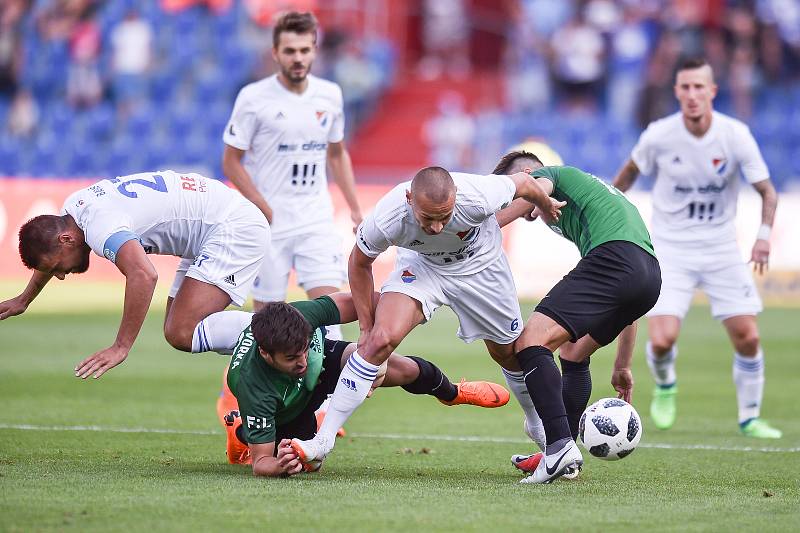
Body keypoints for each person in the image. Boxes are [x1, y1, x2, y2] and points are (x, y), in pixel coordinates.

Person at [288, 165, 567, 472]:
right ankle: (323, 440)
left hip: (482, 268)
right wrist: (366, 328)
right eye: (427, 219)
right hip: (423, 270)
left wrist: (546, 204)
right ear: (409, 199)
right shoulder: (387, 216)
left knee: (510, 356)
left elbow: (526, 182)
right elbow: (359, 263)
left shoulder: (479, 194)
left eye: (444, 217)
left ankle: (535, 424)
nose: (436, 228)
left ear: (457, 198)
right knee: (380, 340)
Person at [612, 58, 781, 439]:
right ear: (676, 92)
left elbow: (767, 191)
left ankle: (750, 417)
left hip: (722, 247)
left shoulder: (735, 135)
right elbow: (624, 178)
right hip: (671, 248)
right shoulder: (659, 135)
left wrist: (764, 234)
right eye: (685, 87)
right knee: (661, 339)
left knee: (749, 336)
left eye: (699, 87)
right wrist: (603, 210)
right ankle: (667, 385)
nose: (692, 95)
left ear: (712, 92)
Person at [488, 152, 660, 482]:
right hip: (648, 276)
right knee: (573, 352)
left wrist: (479, 227)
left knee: (529, 341)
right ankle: (561, 451)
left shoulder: (552, 174)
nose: (517, 205)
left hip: (615, 261)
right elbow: (628, 301)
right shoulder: (595, 207)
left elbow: (536, 189)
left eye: (511, 191)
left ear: (527, 175)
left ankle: (559, 449)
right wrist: (622, 365)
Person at [0, 171, 269, 378]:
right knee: (178, 331)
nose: (59, 276)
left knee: (182, 331)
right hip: (213, 223)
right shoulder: (74, 210)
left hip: (233, 227)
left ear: (67, 239)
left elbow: (143, 275)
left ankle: (290, 335)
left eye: (55, 267)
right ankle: (281, 337)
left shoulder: (100, 226)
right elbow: (50, 250)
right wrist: (25, 299)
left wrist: (121, 346)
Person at [216, 293, 510, 476]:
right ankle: (242, 433)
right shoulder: (253, 387)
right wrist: (279, 466)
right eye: (292, 358)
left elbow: (355, 300)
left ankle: (452, 393)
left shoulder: (300, 317)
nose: (302, 361)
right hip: (288, 411)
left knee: (402, 368)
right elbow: (261, 463)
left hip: (326, 364)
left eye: (305, 349)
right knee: (308, 464)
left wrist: (386, 313)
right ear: (266, 354)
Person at [222, 11, 362, 341]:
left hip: (316, 218)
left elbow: (337, 153)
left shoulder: (330, 95)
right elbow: (230, 162)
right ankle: (260, 390)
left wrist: (355, 207)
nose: (298, 58)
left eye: (304, 50)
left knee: (330, 312)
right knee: (267, 321)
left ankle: (331, 390)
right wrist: (263, 206)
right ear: (275, 53)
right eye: (290, 51)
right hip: (269, 223)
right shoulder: (253, 98)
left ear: (314, 50)